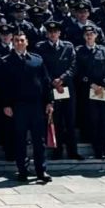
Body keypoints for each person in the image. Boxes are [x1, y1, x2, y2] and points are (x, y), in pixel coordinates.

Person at [2, 32, 53, 183]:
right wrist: (6, 105)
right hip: (18, 106)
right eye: (16, 40)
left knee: (39, 140)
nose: (19, 43)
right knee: (20, 140)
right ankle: (22, 171)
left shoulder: (37, 60)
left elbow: (46, 82)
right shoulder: (6, 61)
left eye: (22, 40)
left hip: (37, 106)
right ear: (12, 42)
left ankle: (41, 171)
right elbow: (3, 87)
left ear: (27, 42)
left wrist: (50, 102)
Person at [35, 21, 79, 160]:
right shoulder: (40, 47)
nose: (53, 34)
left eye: (55, 32)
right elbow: (41, 67)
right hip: (50, 88)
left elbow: (73, 66)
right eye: (50, 32)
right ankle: (57, 150)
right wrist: (52, 81)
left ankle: (73, 151)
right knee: (56, 120)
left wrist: (62, 79)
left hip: (66, 87)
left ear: (59, 33)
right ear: (47, 33)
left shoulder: (68, 46)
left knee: (70, 120)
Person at [74, 24, 105, 160]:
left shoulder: (103, 50)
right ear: (84, 36)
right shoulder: (79, 51)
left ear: (96, 35)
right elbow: (78, 71)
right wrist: (91, 84)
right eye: (87, 35)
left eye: (92, 34)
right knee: (93, 120)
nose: (89, 36)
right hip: (88, 90)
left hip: (103, 90)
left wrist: (103, 84)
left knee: (104, 120)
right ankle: (97, 149)